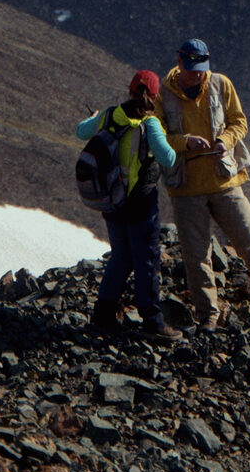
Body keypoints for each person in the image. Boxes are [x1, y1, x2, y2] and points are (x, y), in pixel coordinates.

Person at [158, 37, 250, 328]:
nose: (197, 74)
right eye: (191, 67)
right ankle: (208, 316)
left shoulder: (221, 85)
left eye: (201, 67)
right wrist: (185, 142)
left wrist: (225, 140)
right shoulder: (163, 94)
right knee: (197, 256)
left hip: (225, 181)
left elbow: (239, 122)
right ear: (179, 62)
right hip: (186, 189)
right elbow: (157, 137)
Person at [76, 70, 180, 337]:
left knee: (121, 256)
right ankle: (153, 322)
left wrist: (94, 117)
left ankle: (103, 315)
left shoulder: (110, 116)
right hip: (141, 204)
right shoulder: (151, 123)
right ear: (154, 97)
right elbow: (167, 159)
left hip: (112, 201)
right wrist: (177, 140)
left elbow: (81, 131)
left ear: (130, 90)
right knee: (147, 259)